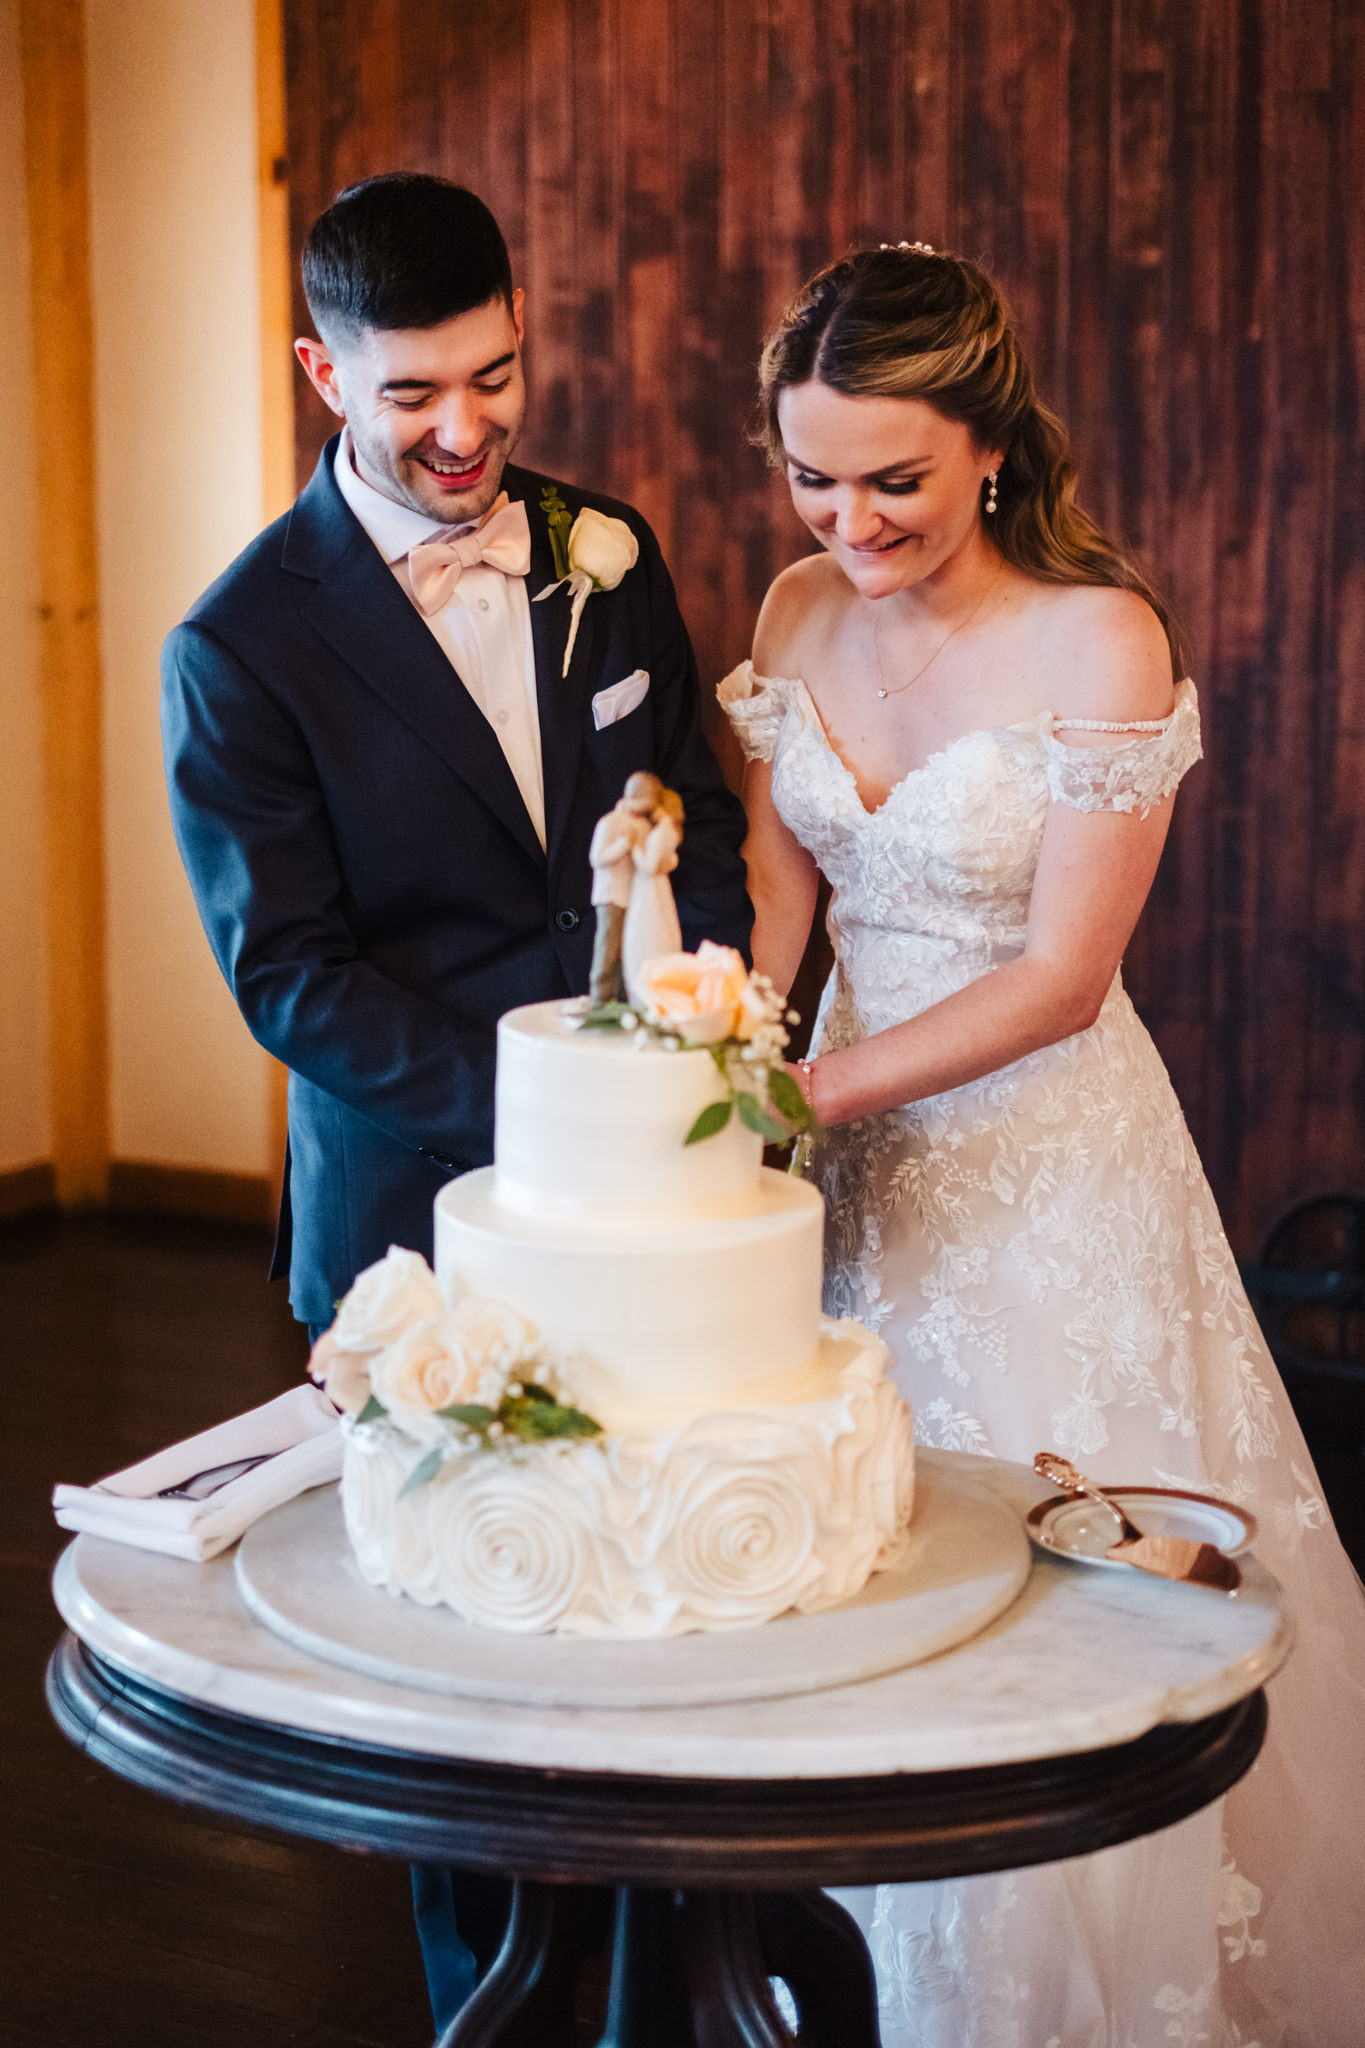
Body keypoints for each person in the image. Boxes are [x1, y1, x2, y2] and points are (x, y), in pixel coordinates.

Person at [721, 241, 1365, 2046]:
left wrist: (798, 1100)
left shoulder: (1098, 634)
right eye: (811, 476)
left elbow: (1066, 978)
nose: (849, 521)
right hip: (829, 1130)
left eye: (894, 481)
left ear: (988, 447)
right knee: (850, 1551)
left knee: (1043, 1579)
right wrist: (737, 1070)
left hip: (1038, 1159)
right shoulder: (791, 611)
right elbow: (785, 883)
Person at [160, 172, 751, 2033]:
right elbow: (293, 981)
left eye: (495, 373)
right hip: (423, 1214)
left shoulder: (608, 549)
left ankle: (677, 1990)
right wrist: (563, 1110)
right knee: (473, 1690)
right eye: (412, 392)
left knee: (662, 1612)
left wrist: (702, 1024)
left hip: (664, 1202)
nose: (468, 429)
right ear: (320, 375)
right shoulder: (238, 644)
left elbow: (703, 820)